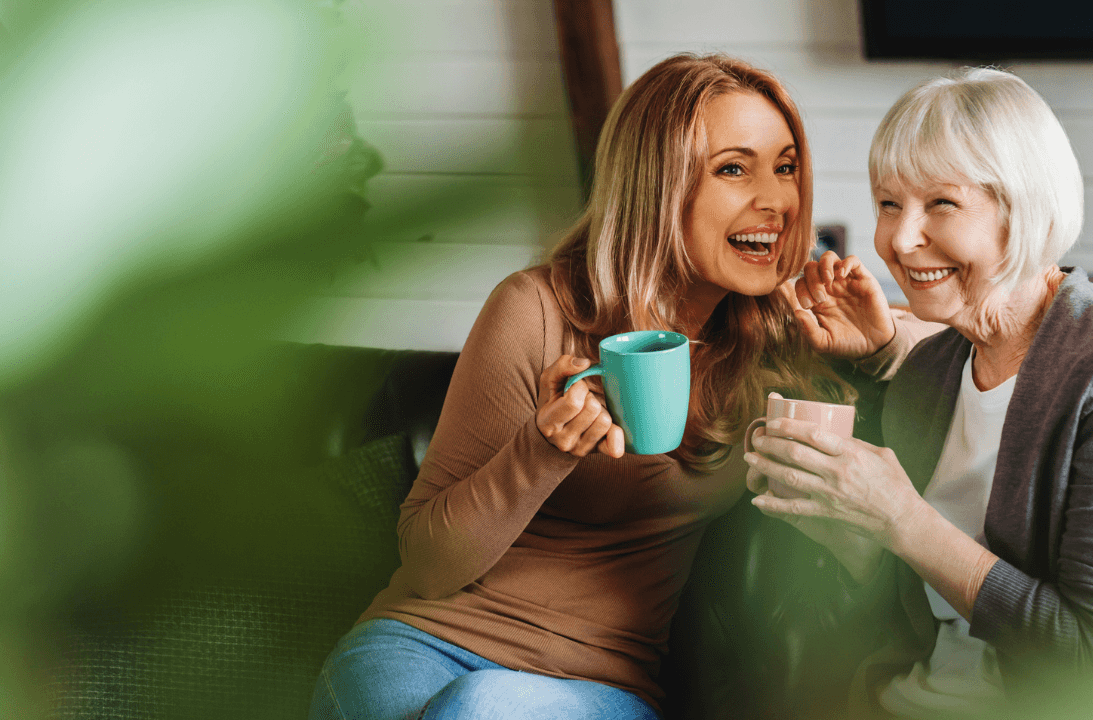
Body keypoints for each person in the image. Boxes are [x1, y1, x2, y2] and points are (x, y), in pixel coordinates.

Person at [308, 53, 860, 720]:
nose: (774, 200)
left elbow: (954, 343)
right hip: (421, 645)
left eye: (786, 166)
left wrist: (878, 351)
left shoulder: (776, 342)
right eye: (733, 169)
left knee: (485, 707)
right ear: (657, 184)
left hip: (599, 689)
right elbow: (429, 566)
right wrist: (541, 453)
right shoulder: (535, 310)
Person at [745, 68, 1093, 718]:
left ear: (1022, 207)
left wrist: (900, 518)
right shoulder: (928, 374)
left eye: (940, 204)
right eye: (889, 203)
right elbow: (923, 600)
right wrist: (845, 524)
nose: (898, 238)